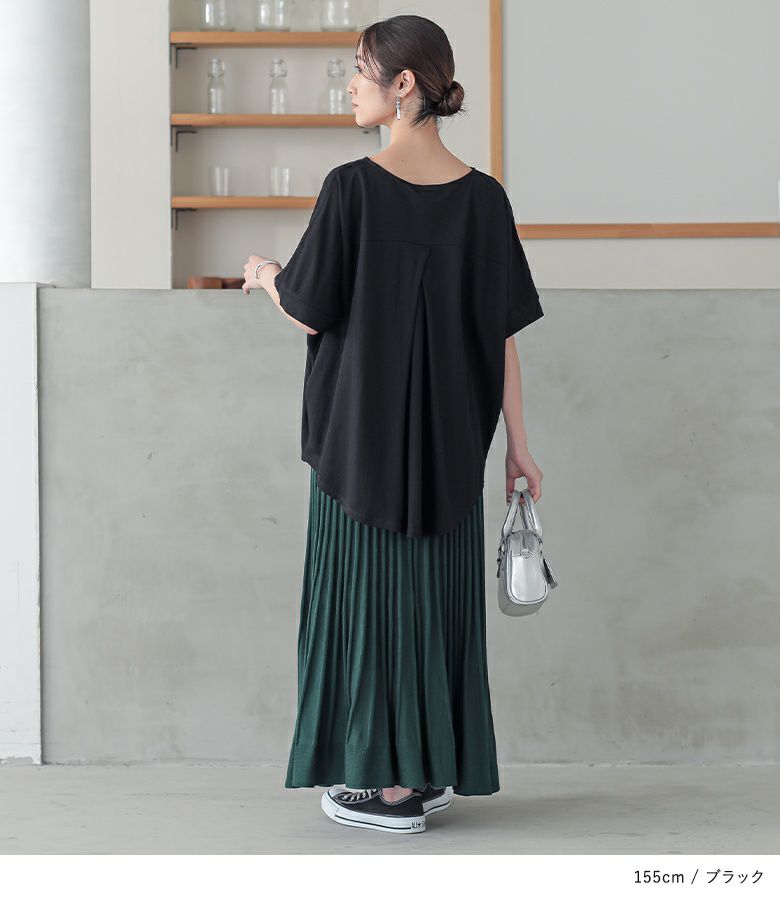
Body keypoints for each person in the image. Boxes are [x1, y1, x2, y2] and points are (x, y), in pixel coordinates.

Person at [241, 14, 544, 836]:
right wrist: (519, 447)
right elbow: (503, 335)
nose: (349, 84)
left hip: (358, 446)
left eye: (359, 69)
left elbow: (309, 311)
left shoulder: (353, 187)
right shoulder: (484, 200)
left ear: (403, 83)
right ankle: (427, 771)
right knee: (433, 603)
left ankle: (386, 790)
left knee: (367, 603)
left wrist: (266, 273)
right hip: (452, 450)